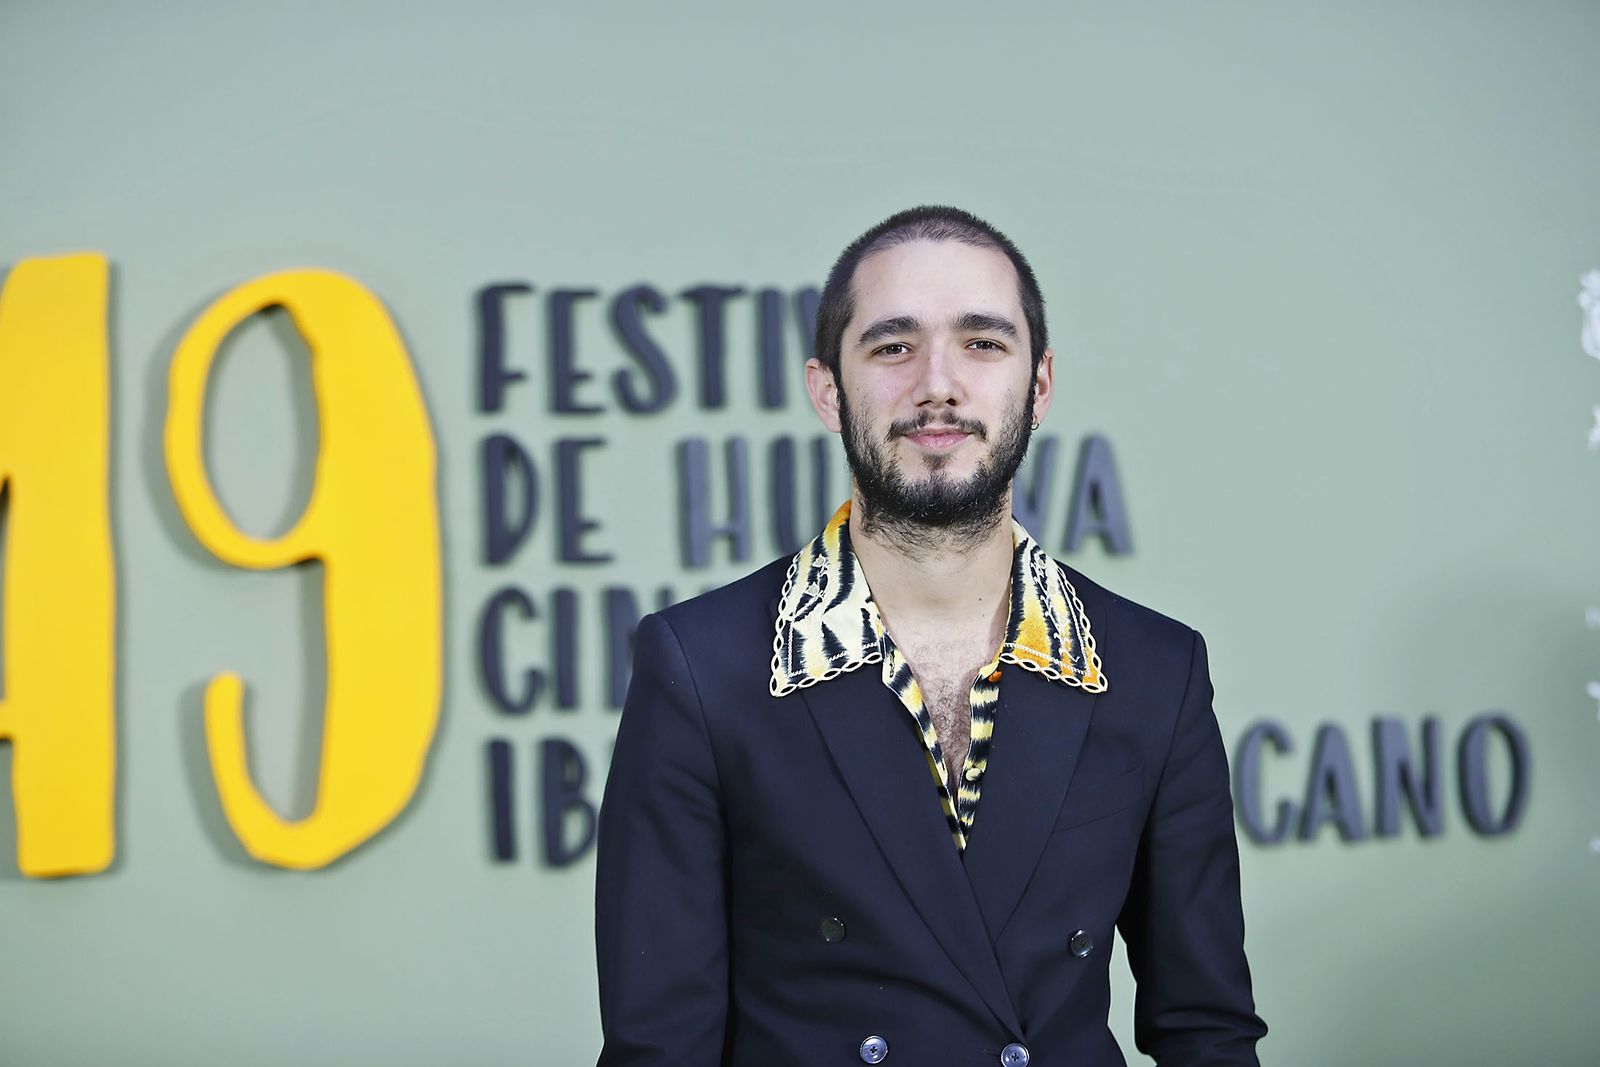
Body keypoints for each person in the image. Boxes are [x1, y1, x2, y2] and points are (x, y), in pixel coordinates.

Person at [595, 205, 1265, 1066]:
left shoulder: (1154, 670)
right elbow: (658, 1049)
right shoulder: (702, 668)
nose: (937, 384)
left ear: (1041, 382)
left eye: (984, 343)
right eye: (892, 345)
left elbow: (1205, 1030)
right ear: (827, 390)